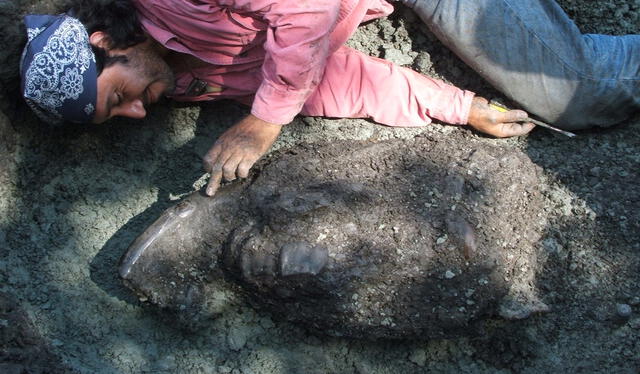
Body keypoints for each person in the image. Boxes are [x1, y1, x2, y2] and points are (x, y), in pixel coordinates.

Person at [19, 0, 639, 197]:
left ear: (104, 42)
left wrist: (265, 119)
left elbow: (306, 10)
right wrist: (460, 106)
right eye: (118, 117)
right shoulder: (181, 80)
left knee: (581, 92)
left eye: (119, 94)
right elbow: (335, 79)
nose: (137, 112)